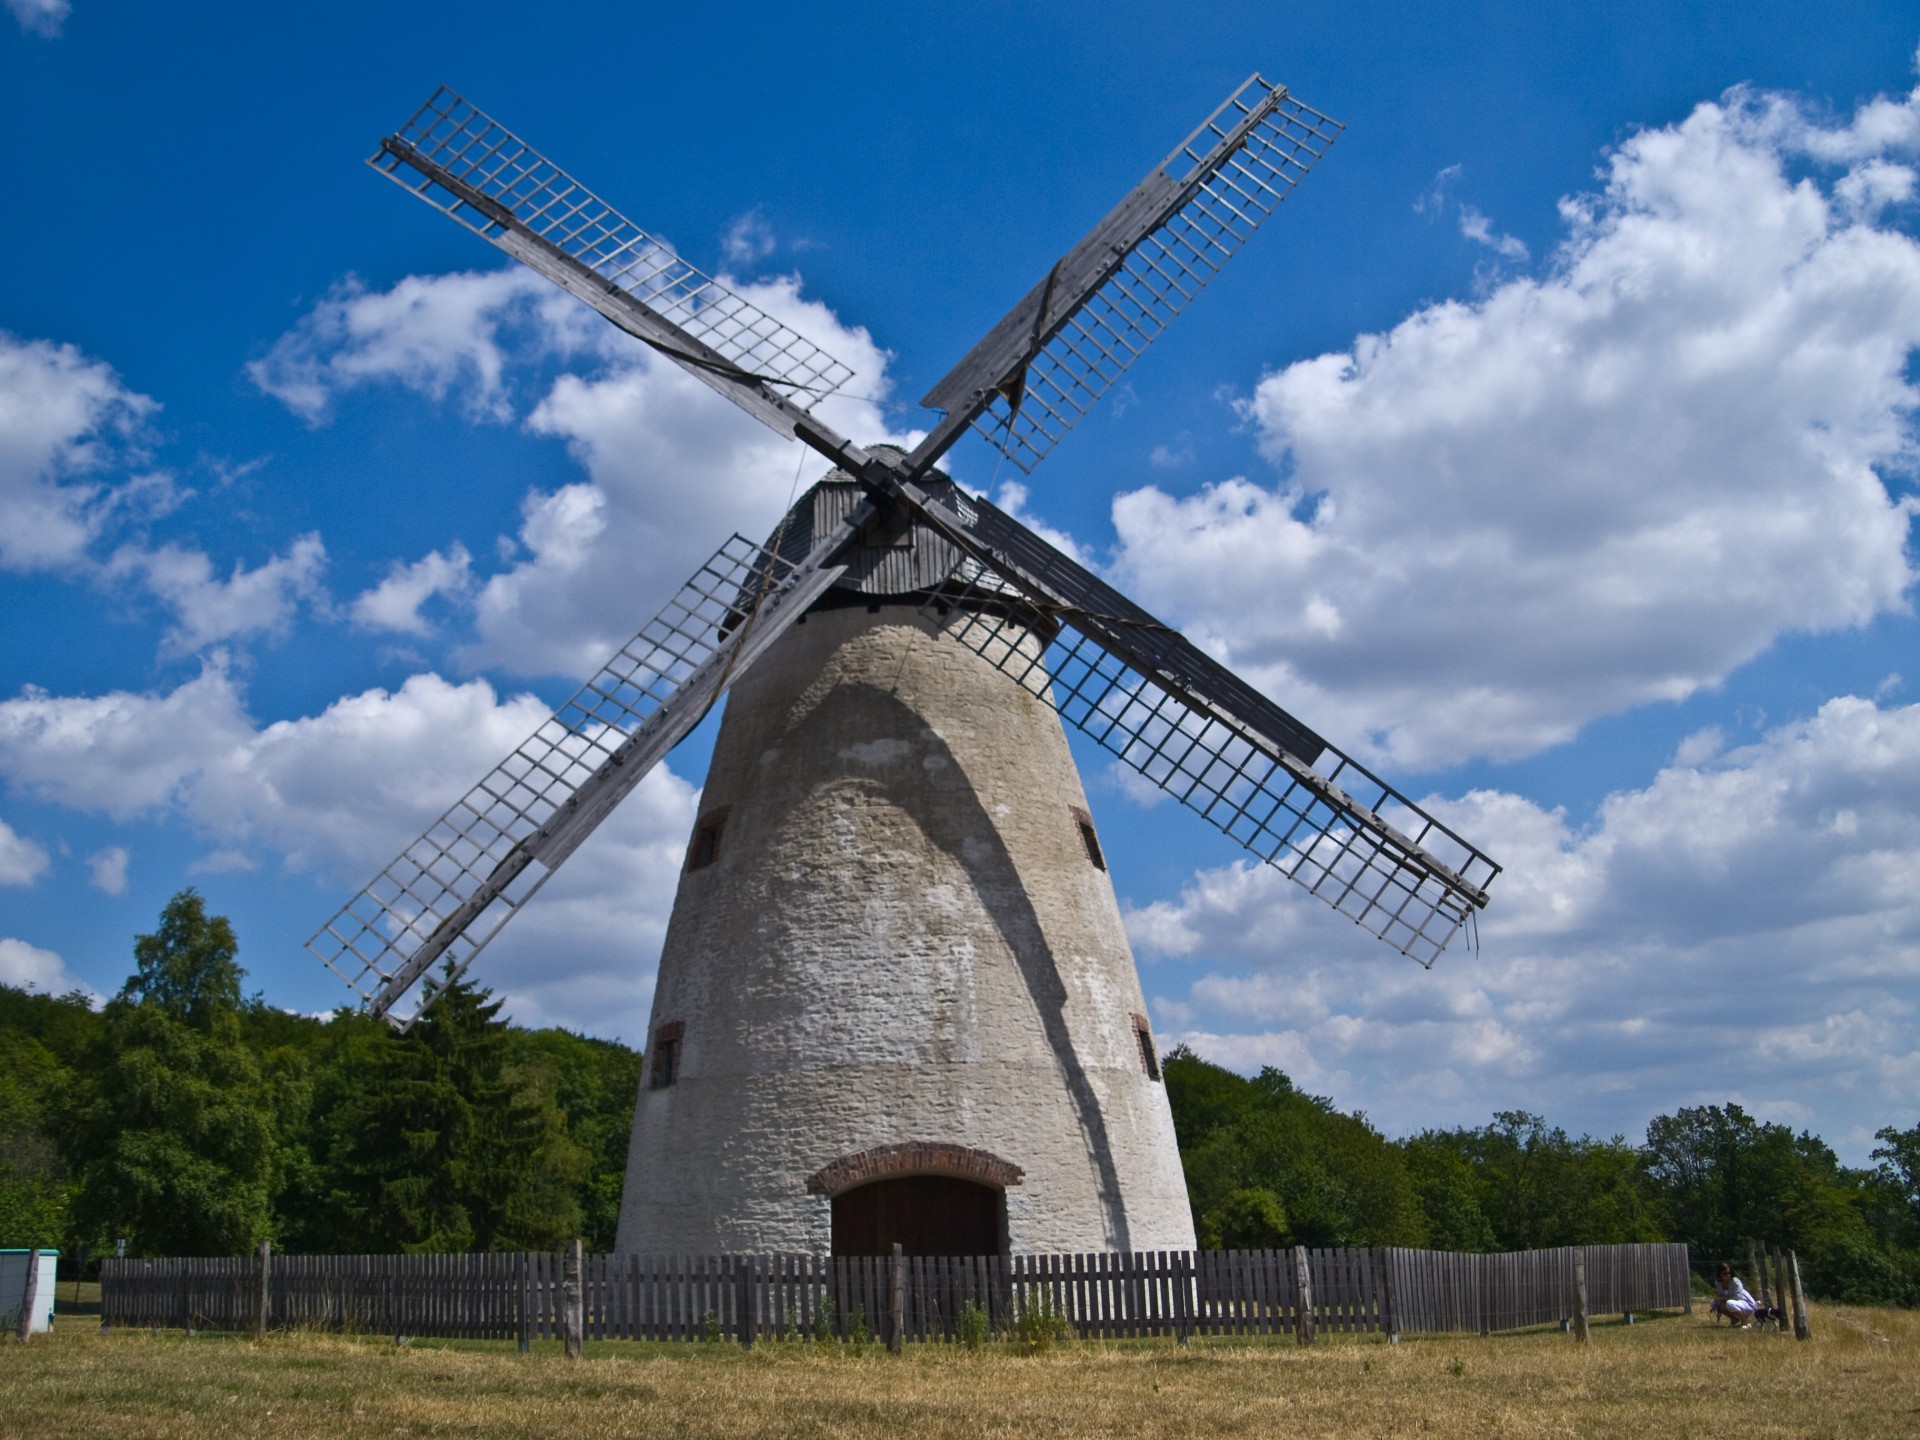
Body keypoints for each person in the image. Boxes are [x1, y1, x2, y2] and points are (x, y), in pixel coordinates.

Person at [1710, 1262, 1760, 1328]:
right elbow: (1720, 1295)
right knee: (1713, 1301)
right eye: (1725, 1273)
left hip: (1746, 1304)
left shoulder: (1735, 1282)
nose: (1728, 1275)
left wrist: (1722, 1298)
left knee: (1729, 1303)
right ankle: (1734, 1319)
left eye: (1729, 1273)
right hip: (1735, 1304)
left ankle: (1744, 1320)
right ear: (1720, 1274)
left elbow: (1737, 1297)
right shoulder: (1718, 1283)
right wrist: (1717, 1306)